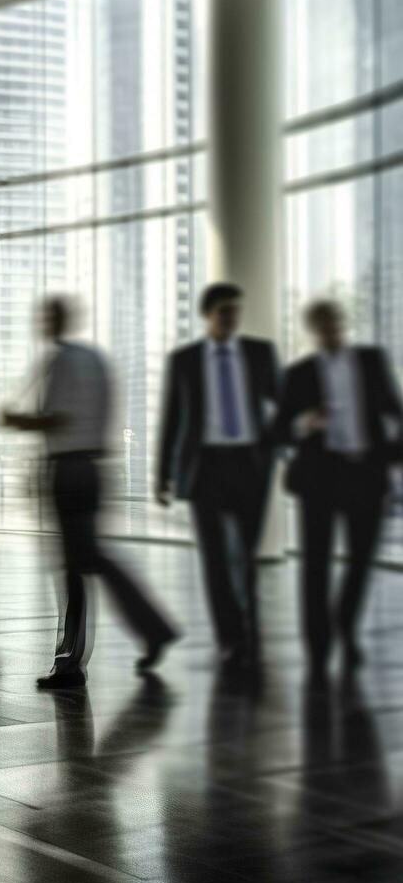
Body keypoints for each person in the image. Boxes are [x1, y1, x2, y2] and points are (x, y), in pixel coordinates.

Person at [3, 297, 178, 689]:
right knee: (89, 558)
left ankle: (73, 661)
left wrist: (18, 419)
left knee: (75, 566)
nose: (42, 324)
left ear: (58, 320)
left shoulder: (62, 361)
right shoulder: (96, 360)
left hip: (68, 470)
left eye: (47, 317)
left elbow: (58, 418)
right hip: (93, 468)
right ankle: (150, 629)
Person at [274, 300, 403, 678]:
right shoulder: (299, 373)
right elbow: (280, 429)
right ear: (313, 329)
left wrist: (393, 455)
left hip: (366, 472)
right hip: (320, 477)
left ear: (342, 323)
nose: (330, 329)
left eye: (334, 322)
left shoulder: (370, 360)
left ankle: (345, 623)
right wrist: (305, 423)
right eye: (322, 325)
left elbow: (395, 412)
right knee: (315, 564)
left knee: (361, 560)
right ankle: (318, 647)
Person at [155, 282, 280, 668]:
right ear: (207, 314)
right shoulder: (185, 359)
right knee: (214, 559)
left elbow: (284, 401)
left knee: (245, 555)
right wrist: (163, 475)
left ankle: (250, 629)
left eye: (236, 310)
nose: (232, 318)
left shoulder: (260, 353)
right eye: (225, 311)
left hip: (250, 464)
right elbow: (172, 419)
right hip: (205, 467)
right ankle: (230, 638)